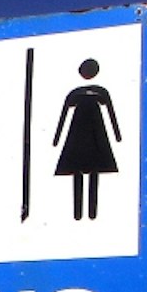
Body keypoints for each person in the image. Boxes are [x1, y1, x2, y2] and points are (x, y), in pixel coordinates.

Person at [51, 58, 122, 221]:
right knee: (78, 171)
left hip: (96, 132)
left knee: (94, 170)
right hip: (78, 132)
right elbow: (64, 115)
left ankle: (92, 213)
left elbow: (111, 113)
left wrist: (117, 135)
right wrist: (56, 138)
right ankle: (78, 213)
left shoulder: (100, 92)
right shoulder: (76, 93)